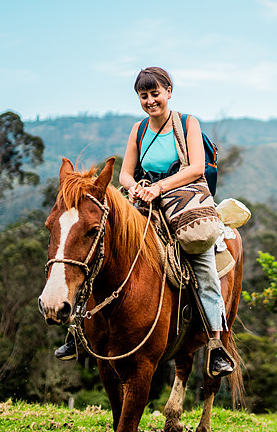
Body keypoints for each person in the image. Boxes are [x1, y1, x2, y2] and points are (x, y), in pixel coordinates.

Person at [55, 67, 233, 377]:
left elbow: (196, 168)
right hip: (144, 197)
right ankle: (76, 329)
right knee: (100, 248)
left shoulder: (188, 123)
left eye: (155, 94)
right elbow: (125, 172)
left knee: (202, 259)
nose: (151, 101)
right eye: (144, 96)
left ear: (169, 92)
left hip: (183, 196)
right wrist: (134, 186)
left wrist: (159, 187)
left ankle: (216, 344)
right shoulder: (138, 130)